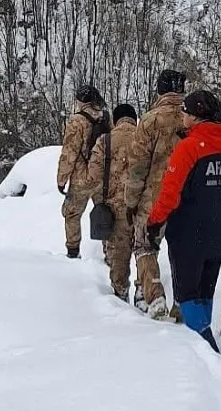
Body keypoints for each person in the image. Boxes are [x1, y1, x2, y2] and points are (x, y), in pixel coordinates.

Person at [146, 90, 221, 352]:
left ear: (196, 117)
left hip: (187, 235)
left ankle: (208, 353)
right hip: (219, 234)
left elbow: (170, 194)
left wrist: (154, 222)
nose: (183, 118)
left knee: (188, 296)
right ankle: (205, 342)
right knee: (205, 292)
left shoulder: (188, 148)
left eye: (185, 113)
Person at [125, 69, 186, 319]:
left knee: (145, 245)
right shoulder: (190, 119)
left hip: (154, 195)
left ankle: (154, 295)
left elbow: (137, 167)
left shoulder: (149, 121)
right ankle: (182, 302)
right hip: (186, 197)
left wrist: (131, 201)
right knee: (181, 249)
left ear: (159, 90)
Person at [86, 104, 139, 302]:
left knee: (119, 254)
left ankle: (120, 294)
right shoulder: (144, 138)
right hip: (141, 206)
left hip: (114, 209)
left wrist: (100, 202)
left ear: (115, 120)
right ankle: (143, 292)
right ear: (135, 119)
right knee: (144, 251)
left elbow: (93, 178)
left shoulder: (104, 141)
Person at [57, 85, 110, 259]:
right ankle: (109, 253)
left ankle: (73, 251)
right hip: (103, 176)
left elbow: (69, 152)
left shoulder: (76, 121)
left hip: (81, 177)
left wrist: (61, 179)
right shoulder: (107, 118)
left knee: (72, 213)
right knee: (105, 212)